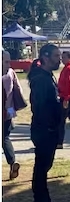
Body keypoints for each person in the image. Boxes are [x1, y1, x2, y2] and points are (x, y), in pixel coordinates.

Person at [28, 44, 64, 202]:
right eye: (56, 56)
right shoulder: (41, 79)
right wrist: (50, 125)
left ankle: (45, 201)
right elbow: (41, 107)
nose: (60, 59)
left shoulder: (47, 76)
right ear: (46, 56)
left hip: (49, 129)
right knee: (41, 168)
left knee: (44, 167)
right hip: (44, 130)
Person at [3, 50, 25, 180]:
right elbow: (19, 90)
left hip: (7, 111)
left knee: (4, 137)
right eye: (5, 61)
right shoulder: (11, 74)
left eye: (8, 61)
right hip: (9, 110)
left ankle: (12, 162)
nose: (8, 64)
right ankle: (12, 162)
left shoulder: (10, 72)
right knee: (5, 136)